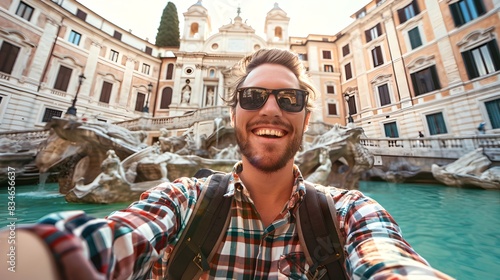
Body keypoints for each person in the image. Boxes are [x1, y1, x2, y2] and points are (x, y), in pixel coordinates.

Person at [0, 48, 454, 279]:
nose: (271, 109)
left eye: (288, 98)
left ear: (305, 117)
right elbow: (108, 240)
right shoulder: (180, 199)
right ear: (233, 113)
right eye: (253, 97)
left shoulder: (353, 212)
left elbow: (390, 262)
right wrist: (22, 259)